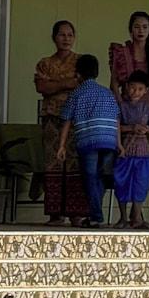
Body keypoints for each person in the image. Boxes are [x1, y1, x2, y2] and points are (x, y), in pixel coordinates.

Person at [55, 55, 120, 230]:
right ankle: (94, 215)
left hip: (88, 142)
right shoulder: (107, 93)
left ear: (78, 74)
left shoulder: (76, 93)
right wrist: (118, 144)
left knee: (90, 178)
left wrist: (61, 146)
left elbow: (66, 120)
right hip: (108, 141)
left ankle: (96, 216)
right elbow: (116, 119)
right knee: (100, 177)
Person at [34, 19, 87, 225]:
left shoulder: (81, 61)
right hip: (51, 120)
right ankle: (55, 213)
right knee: (53, 162)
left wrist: (55, 85)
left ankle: (76, 213)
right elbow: (42, 88)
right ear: (54, 37)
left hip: (75, 119)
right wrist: (66, 83)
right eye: (62, 35)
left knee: (74, 163)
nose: (66, 39)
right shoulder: (45, 63)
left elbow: (82, 85)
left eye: (70, 35)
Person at [113, 71, 149, 229]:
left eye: (140, 89)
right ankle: (123, 218)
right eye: (133, 88)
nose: (136, 92)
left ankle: (137, 218)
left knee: (141, 183)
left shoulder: (147, 108)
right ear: (126, 87)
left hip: (143, 151)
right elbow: (115, 127)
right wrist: (131, 127)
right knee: (122, 182)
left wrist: (147, 130)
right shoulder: (121, 107)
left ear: (145, 91)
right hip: (124, 150)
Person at [109, 11, 149, 104]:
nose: (141, 31)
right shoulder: (122, 53)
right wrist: (123, 109)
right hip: (125, 107)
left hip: (148, 109)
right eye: (137, 27)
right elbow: (114, 86)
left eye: (145, 27)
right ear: (131, 29)